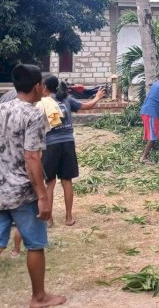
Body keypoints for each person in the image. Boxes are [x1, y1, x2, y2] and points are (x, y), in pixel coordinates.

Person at [0, 64, 66, 308]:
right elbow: (31, 157)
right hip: (24, 192)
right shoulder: (33, 114)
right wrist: (42, 196)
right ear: (38, 86)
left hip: (0, 189)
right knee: (35, 245)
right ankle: (39, 297)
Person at [41, 75, 104, 227]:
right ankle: (69, 217)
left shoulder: (43, 102)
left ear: (44, 87)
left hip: (51, 144)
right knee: (67, 181)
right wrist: (97, 97)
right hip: (68, 142)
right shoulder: (67, 99)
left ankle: (49, 219)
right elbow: (87, 106)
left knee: (49, 182)